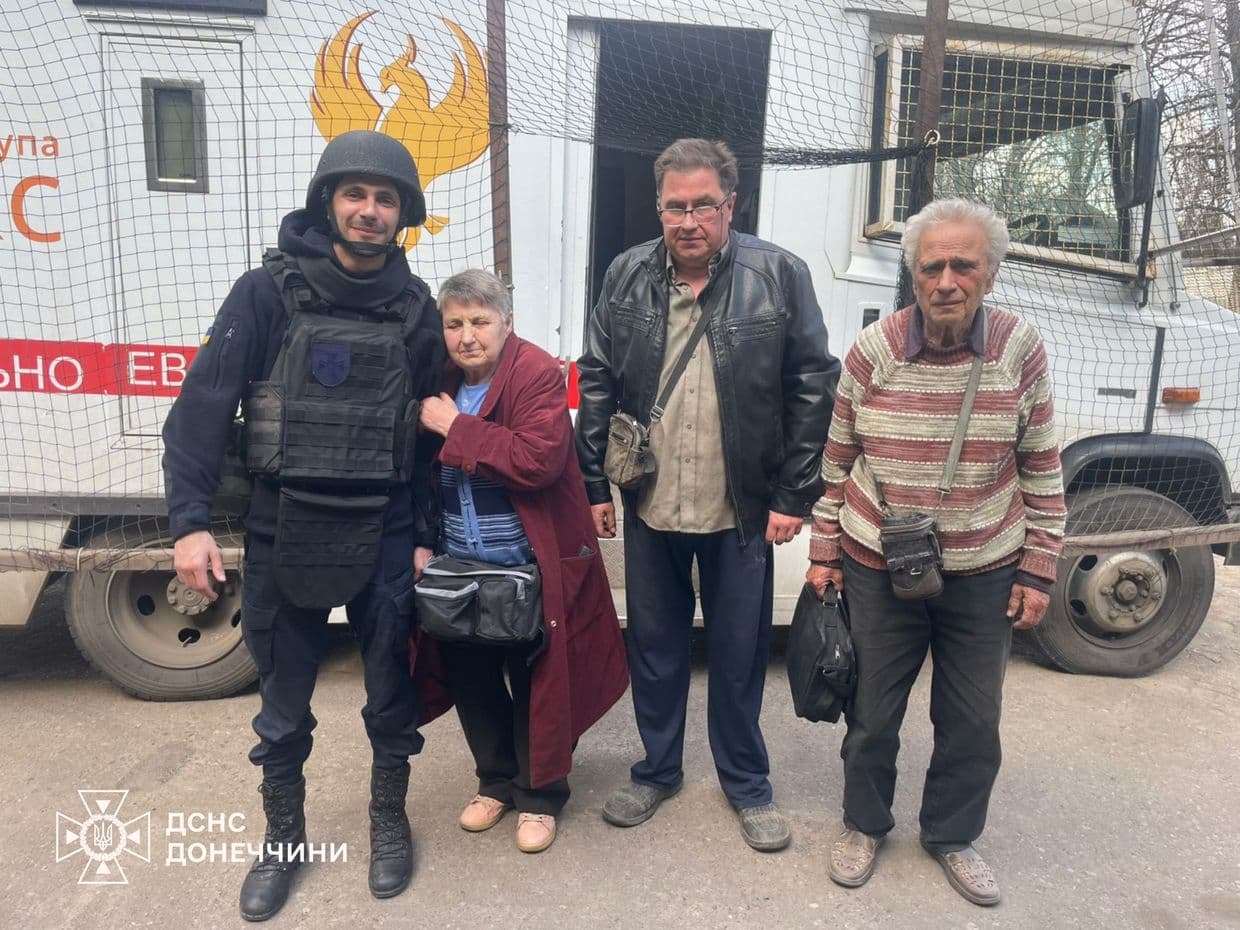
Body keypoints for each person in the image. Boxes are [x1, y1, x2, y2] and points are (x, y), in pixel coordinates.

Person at [163, 130, 445, 920]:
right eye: (355, 194)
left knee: (390, 699)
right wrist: (189, 523)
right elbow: (201, 410)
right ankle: (282, 841)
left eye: (384, 198)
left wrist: (425, 534)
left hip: (384, 529)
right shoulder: (266, 292)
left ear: (402, 215)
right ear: (328, 202)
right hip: (283, 525)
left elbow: (427, 440)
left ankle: (387, 823)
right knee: (282, 709)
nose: (369, 209)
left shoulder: (417, 310)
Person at [575, 138, 839, 851]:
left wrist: (794, 494)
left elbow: (813, 385)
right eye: (674, 206)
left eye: (703, 205)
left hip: (740, 509)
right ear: (658, 207)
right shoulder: (627, 274)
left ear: (731, 205)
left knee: (739, 653)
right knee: (655, 647)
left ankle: (747, 784)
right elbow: (596, 376)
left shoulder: (779, 274)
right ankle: (656, 771)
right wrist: (593, 481)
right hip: (652, 503)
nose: (688, 220)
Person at [805, 198, 1067, 906]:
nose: (946, 281)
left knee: (973, 719)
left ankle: (952, 835)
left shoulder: (1019, 348)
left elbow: (1041, 464)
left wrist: (1040, 564)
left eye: (963, 266)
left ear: (991, 274)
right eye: (932, 267)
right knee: (871, 713)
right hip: (877, 561)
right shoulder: (873, 350)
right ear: (913, 275)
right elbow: (837, 462)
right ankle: (864, 824)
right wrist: (825, 553)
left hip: (985, 565)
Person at [416, 268, 629, 854]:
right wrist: (421, 539)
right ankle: (495, 783)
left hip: (527, 562)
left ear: (506, 324)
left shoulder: (534, 372)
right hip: (460, 562)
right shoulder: (440, 378)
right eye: (454, 324)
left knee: (539, 677)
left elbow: (538, 459)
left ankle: (539, 794)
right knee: (472, 675)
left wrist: (454, 427)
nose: (466, 336)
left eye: (480, 322)